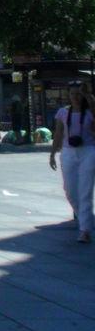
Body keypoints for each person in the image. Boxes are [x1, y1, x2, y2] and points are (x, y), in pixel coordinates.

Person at [49, 81, 95, 243]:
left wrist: (90, 100)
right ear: (68, 96)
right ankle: (85, 218)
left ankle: (85, 230)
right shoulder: (63, 112)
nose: (75, 97)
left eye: (78, 94)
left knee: (85, 191)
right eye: (73, 94)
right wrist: (52, 153)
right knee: (69, 190)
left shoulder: (90, 112)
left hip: (88, 151)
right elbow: (58, 134)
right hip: (68, 152)